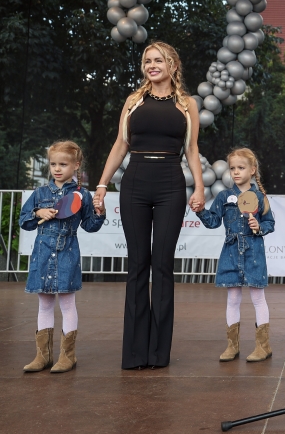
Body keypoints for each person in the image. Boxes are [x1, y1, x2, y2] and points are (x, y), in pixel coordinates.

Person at [93, 41, 205, 369]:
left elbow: (192, 149)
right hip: (135, 182)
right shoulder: (133, 101)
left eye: (158, 60)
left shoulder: (187, 104)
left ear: (173, 65)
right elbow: (120, 144)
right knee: (138, 265)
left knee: (163, 266)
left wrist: (199, 187)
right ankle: (135, 353)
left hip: (171, 183)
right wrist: (102, 184)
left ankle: (158, 353)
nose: (152, 65)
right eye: (147, 61)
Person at [19, 140, 106, 373]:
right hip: (42, 254)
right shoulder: (39, 193)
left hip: (67, 252)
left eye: (63, 164)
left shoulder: (82, 195)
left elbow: (90, 225)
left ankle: (68, 356)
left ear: (76, 165)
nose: (57, 169)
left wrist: (99, 213)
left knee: (67, 304)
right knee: (44, 304)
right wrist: (38, 211)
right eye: (53, 164)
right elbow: (24, 221)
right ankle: (42, 356)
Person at [196, 148, 276, 362]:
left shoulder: (260, 197)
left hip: (254, 253)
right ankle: (232, 346)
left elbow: (270, 223)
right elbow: (213, 222)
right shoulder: (224, 196)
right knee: (232, 299)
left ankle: (263, 346)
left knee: (258, 298)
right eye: (232, 168)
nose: (236, 172)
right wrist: (200, 211)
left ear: (252, 170)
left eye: (241, 167)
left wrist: (259, 227)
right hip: (231, 253)